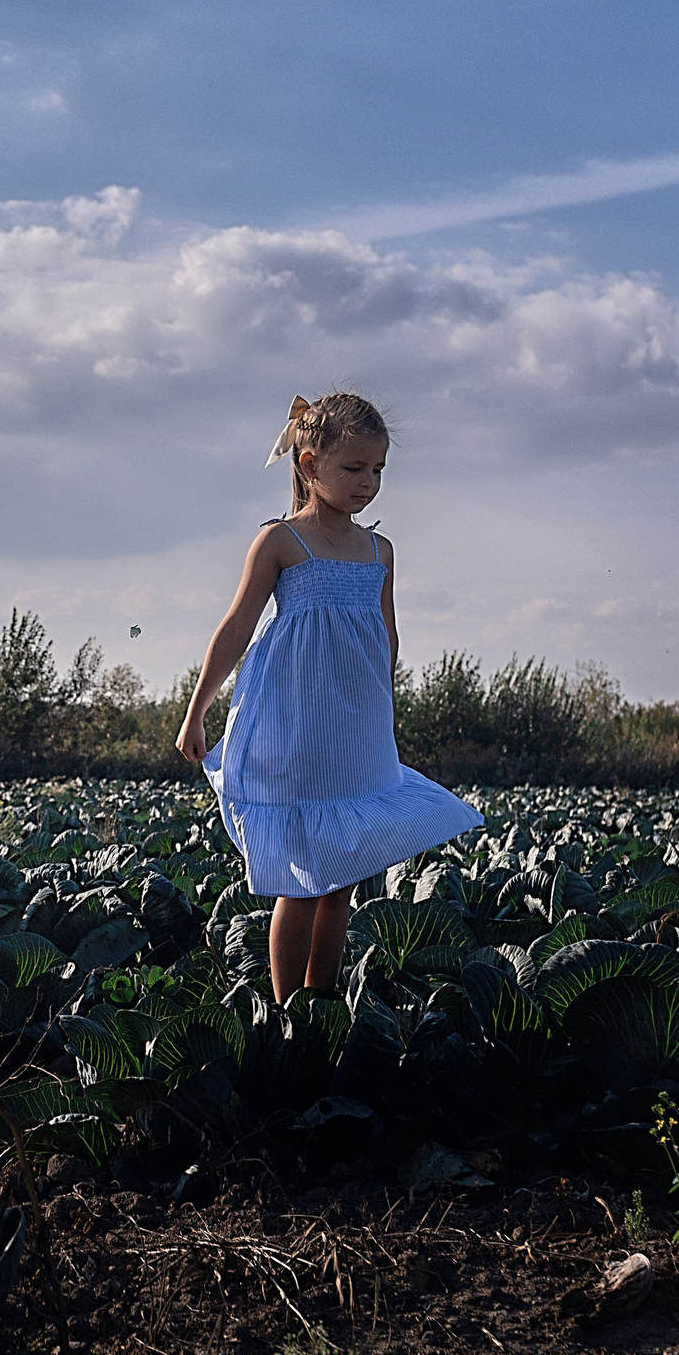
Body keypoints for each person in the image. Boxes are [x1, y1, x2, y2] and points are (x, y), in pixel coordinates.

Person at [176, 393, 484, 1000]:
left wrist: (380, 717)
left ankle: (321, 1003)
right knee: (303, 878)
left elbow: (386, 639)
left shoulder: (379, 551)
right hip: (296, 727)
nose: (368, 483)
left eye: (378, 471)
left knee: (343, 877)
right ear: (310, 463)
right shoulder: (282, 542)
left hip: (354, 729)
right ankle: (286, 1007)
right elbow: (236, 628)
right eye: (354, 469)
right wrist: (198, 709)